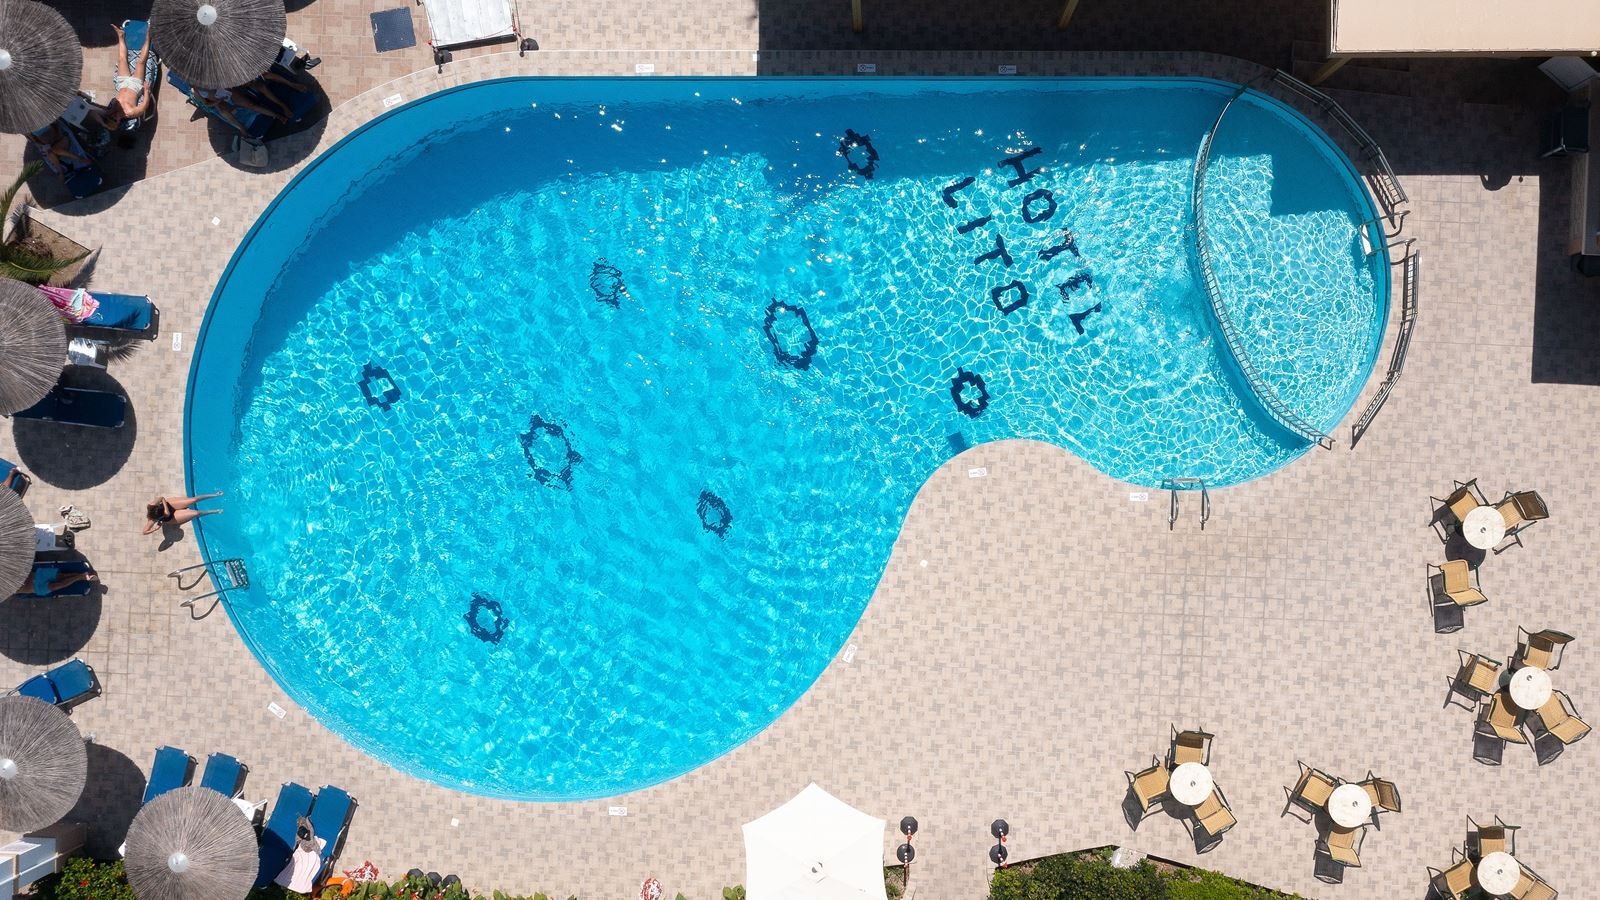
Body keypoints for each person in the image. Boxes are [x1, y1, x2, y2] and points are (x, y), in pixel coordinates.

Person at [96, 23, 154, 131]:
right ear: (119, 122)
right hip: (135, 86)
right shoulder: (130, 112)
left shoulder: (111, 110)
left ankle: (120, 35)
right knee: (141, 62)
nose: (113, 116)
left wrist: (103, 123)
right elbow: (144, 106)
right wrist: (146, 91)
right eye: (114, 120)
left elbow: (92, 112)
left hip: (122, 83)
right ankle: (148, 36)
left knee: (122, 59)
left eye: (110, 118)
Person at [142, 491, 224, 535]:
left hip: (169, 504)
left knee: (193, 500)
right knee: (195, 513)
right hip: (171, 518)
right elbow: (144, 532)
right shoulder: (152, 520)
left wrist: (166, 510)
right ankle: (213, 511)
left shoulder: (151, 505)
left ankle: (214, 494)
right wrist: (155, 529)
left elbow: (161, 498)